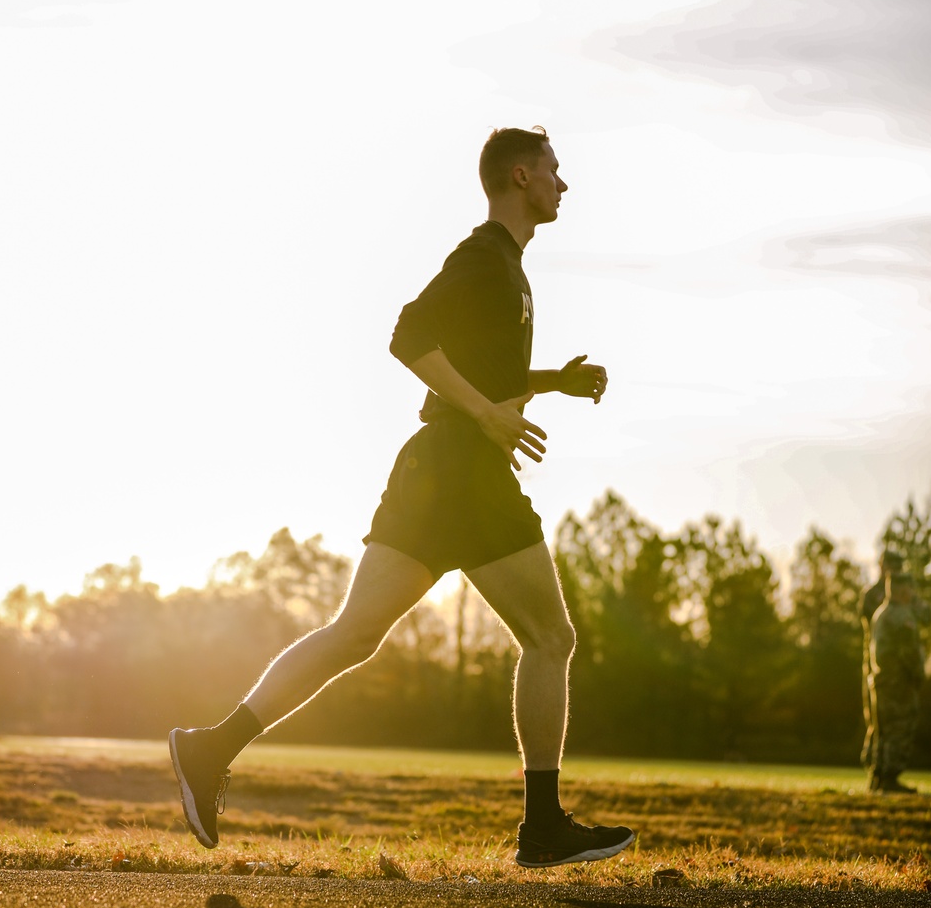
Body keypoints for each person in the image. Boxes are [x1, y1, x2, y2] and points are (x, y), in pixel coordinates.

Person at [168, 126, 635, 869]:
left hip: (434, 469)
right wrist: (486, 415)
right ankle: (542, 827)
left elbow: (476, 366)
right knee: (551, 639)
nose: (563, 184)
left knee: (354, 635)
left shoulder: (506, 267)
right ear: (521, 176)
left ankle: (209, 748)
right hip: (462, 468)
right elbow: (408, 336)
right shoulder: (484, 256)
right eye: (554, 170)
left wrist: (550, 382)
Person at [866, 571, 925, 794]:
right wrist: (917, 673)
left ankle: (878, 779)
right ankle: (890, 779)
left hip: (881, 680)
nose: (911, 593)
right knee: (899, 729)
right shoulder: (901, 615)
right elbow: (908, 649)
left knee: (882, 731)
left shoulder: (881, 613)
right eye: (909, 588)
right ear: (902, 590)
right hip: (897, 682)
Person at [859, 550, 904, 772]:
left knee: (895, 719)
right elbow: (876, 622)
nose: (894, 571)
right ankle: (874, 764)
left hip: (899, 665)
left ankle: (884, 767)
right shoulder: (872, 594)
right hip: (875, 662)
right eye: (891, 566)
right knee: (876, 717)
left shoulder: (904, 596)